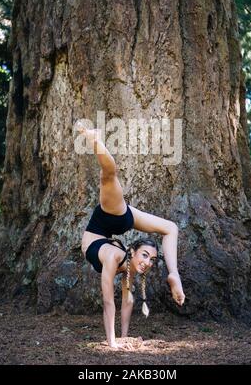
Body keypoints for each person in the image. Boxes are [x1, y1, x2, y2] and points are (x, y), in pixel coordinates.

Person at [78, 124, 185, 350]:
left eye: (152, 260)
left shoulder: (128, 265)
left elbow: (127, 301)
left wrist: (124, 337)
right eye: (145, 256)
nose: (147, 263)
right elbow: (108, 301)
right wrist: (112, 343)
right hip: (110, 217)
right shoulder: (114, 257)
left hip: (111, 226)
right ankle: (95, 139)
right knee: (108, 175)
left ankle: (174, 274)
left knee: (171, 228)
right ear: (133, 251)